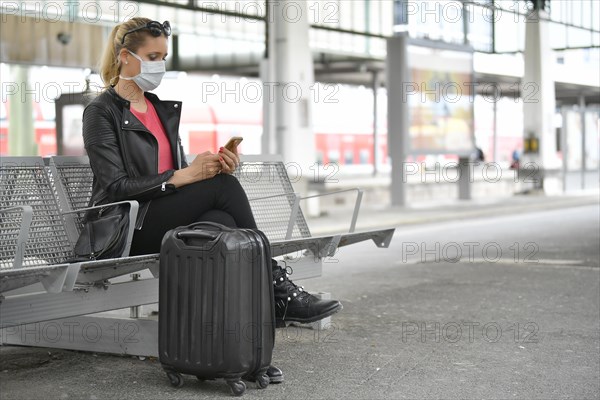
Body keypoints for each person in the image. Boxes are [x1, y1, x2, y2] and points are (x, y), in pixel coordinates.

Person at [83, 17, 342, 383]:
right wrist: (187, 176)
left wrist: (208, 167)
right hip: (126, 226)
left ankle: (242, 354)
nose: (161, 64)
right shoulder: (102, 111)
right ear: (125, 57)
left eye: (164, 56)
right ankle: (277, 291)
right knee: (225, 192)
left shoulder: (159, 108)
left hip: (161, 215)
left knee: (223, 222)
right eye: (152, 56)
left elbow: (173, 175)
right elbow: (115, 186)